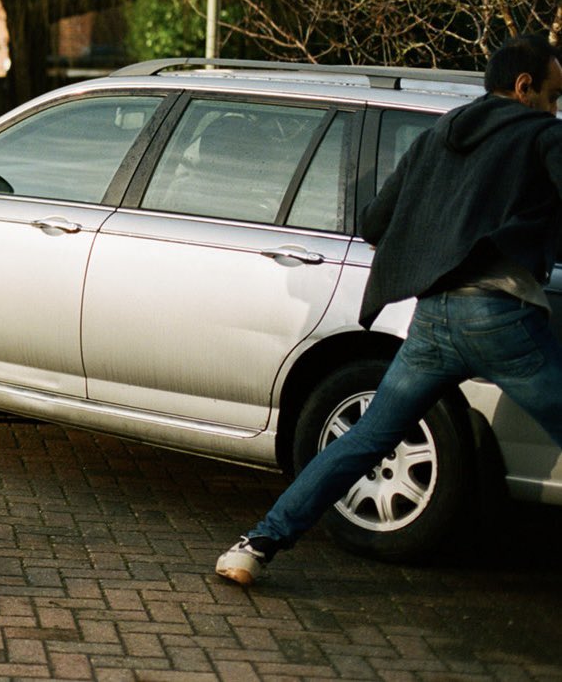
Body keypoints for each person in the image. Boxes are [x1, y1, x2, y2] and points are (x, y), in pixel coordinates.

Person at [216, 33, 562, 586]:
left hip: (431, 321)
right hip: (500, 317)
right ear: (524, 88)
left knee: (368, 438)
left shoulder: (437, 138)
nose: (554, 107)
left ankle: (254, 546)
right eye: (553, 95)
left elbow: (375, 224)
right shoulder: (543, 134)